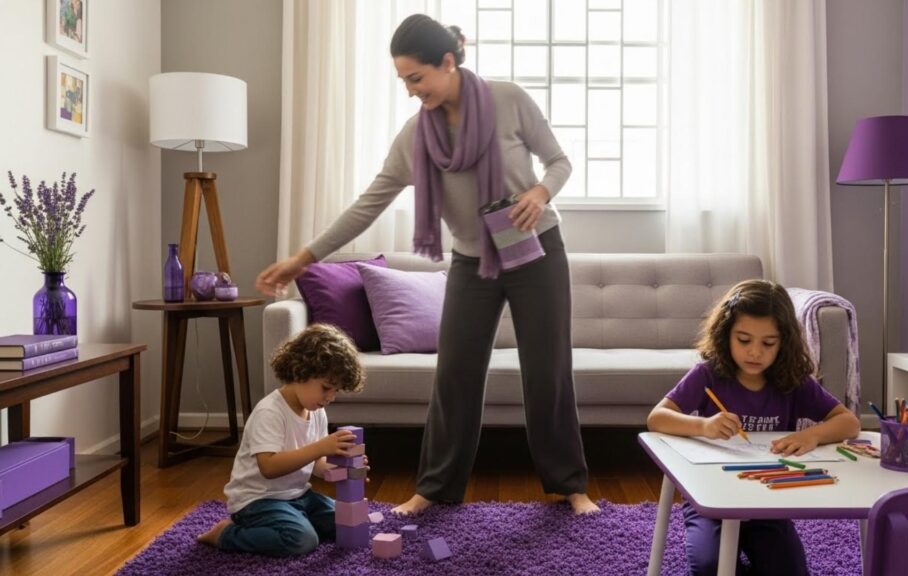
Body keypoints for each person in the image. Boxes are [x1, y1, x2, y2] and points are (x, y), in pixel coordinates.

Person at [255, 13, 599, 516]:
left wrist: (541, 192)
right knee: (455, 374)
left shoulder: (509, 100)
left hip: (536, 252)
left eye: (417, 77)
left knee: (548, 373)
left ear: (447, 61)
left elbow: (559, 161)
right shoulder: (415, 136)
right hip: (471, 263)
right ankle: (435, 486)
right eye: (403, 81)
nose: (412, 90)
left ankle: (571, 485)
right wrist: (302, 259)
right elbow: (368, 204)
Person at [647, 280, 861, 576]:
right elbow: (657, 418)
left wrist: (811, 435)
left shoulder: (792, 380)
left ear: (783, 341)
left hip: (767, 502)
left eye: (768, 343)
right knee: (710, 568)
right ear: (726, 335)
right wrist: (704, 426)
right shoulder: (708, 374)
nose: (755, 353)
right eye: (744, 340)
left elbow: (848, 421)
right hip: (711, 501)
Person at [197, 324, 367, 557]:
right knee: (301, 541)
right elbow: (269, 467)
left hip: (298, 495)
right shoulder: (270, 412)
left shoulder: (317, 411)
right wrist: (321, 446)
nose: (330, 397)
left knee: (350, 521)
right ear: (300, 371)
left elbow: (316, 466)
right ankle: (225, 534)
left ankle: (295, 520)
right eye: (326, 387)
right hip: (257, 501)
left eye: (335, 391)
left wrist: (346, 469)